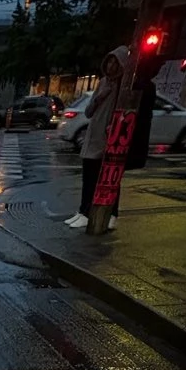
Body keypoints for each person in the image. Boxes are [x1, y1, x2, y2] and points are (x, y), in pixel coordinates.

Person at [65, 45, 129, 231]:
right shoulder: (103, 83)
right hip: (94, 134)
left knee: (109, 178)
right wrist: (99, 97)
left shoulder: (123, 86)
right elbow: (89, 111)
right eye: (109, 62)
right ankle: (84, 211)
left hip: (108, 138)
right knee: (89, 177)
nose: (110, 66)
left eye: (115, 62)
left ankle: (109, 213)